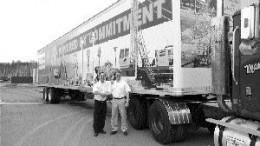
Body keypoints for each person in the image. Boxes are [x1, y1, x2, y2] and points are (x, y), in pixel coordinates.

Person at [110, 70, 131, 136]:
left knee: (123, 115)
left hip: (122, 100)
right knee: (114, 115)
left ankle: (124, 129)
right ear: (115, 76)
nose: (118, 76)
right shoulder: (113, 83)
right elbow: (110, 91)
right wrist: (111, 100)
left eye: (119, 75)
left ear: (120, 75)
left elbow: (127, 92)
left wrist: (127, 101)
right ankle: (114, 129)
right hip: (114, 100)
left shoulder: (124, 83)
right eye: (116, 75)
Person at [92, 72, 111, 137]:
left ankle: (101, 129)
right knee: (97, 116)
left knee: (103, 117)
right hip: (98, 102)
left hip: (104, 103)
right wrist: (101, 93)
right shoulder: (96, 84)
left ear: (105, 77)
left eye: (103, 76)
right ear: (99, 77)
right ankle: (96, 131)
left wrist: (105, 94)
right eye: (101, 76)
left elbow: (109, 92)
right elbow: (94, 92)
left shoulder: (107, 84)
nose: (102, 77)